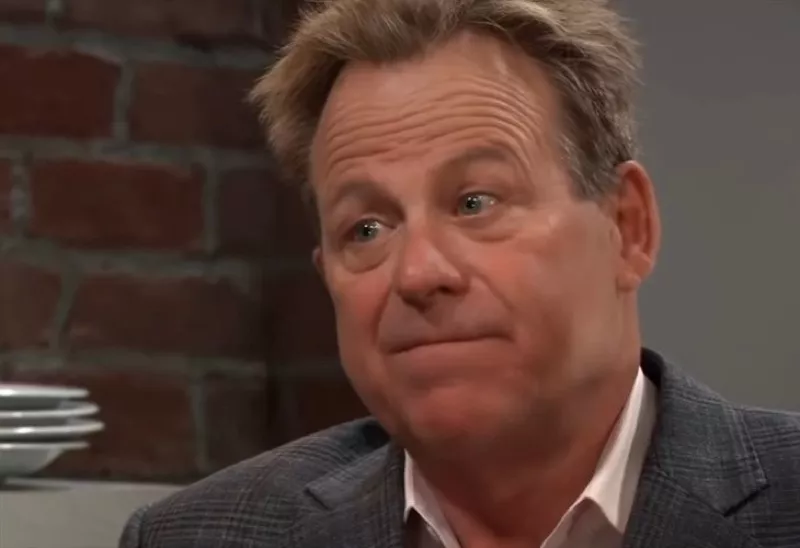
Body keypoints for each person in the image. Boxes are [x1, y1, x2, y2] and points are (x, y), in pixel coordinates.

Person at [119, 0, 800, 547]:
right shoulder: (199, 537)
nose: (418, 273)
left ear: (628, 227)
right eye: (367, 229)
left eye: (476, 202)